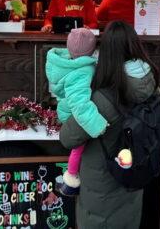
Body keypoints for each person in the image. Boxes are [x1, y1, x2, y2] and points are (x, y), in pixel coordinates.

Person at [59, 20, 160, 229]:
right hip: (135, 179)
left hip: (102, 192)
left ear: (105, 52)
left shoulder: (104, 99)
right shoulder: (153, 89)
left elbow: (68, 138)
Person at [45, 28, 106, 196]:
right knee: (79, 148)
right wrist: (97, 124)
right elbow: (80, 103)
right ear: (92, 51)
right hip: (73, 113)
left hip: (66, 107)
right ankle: (71, 179)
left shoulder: (63, 63)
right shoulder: (81, 71)